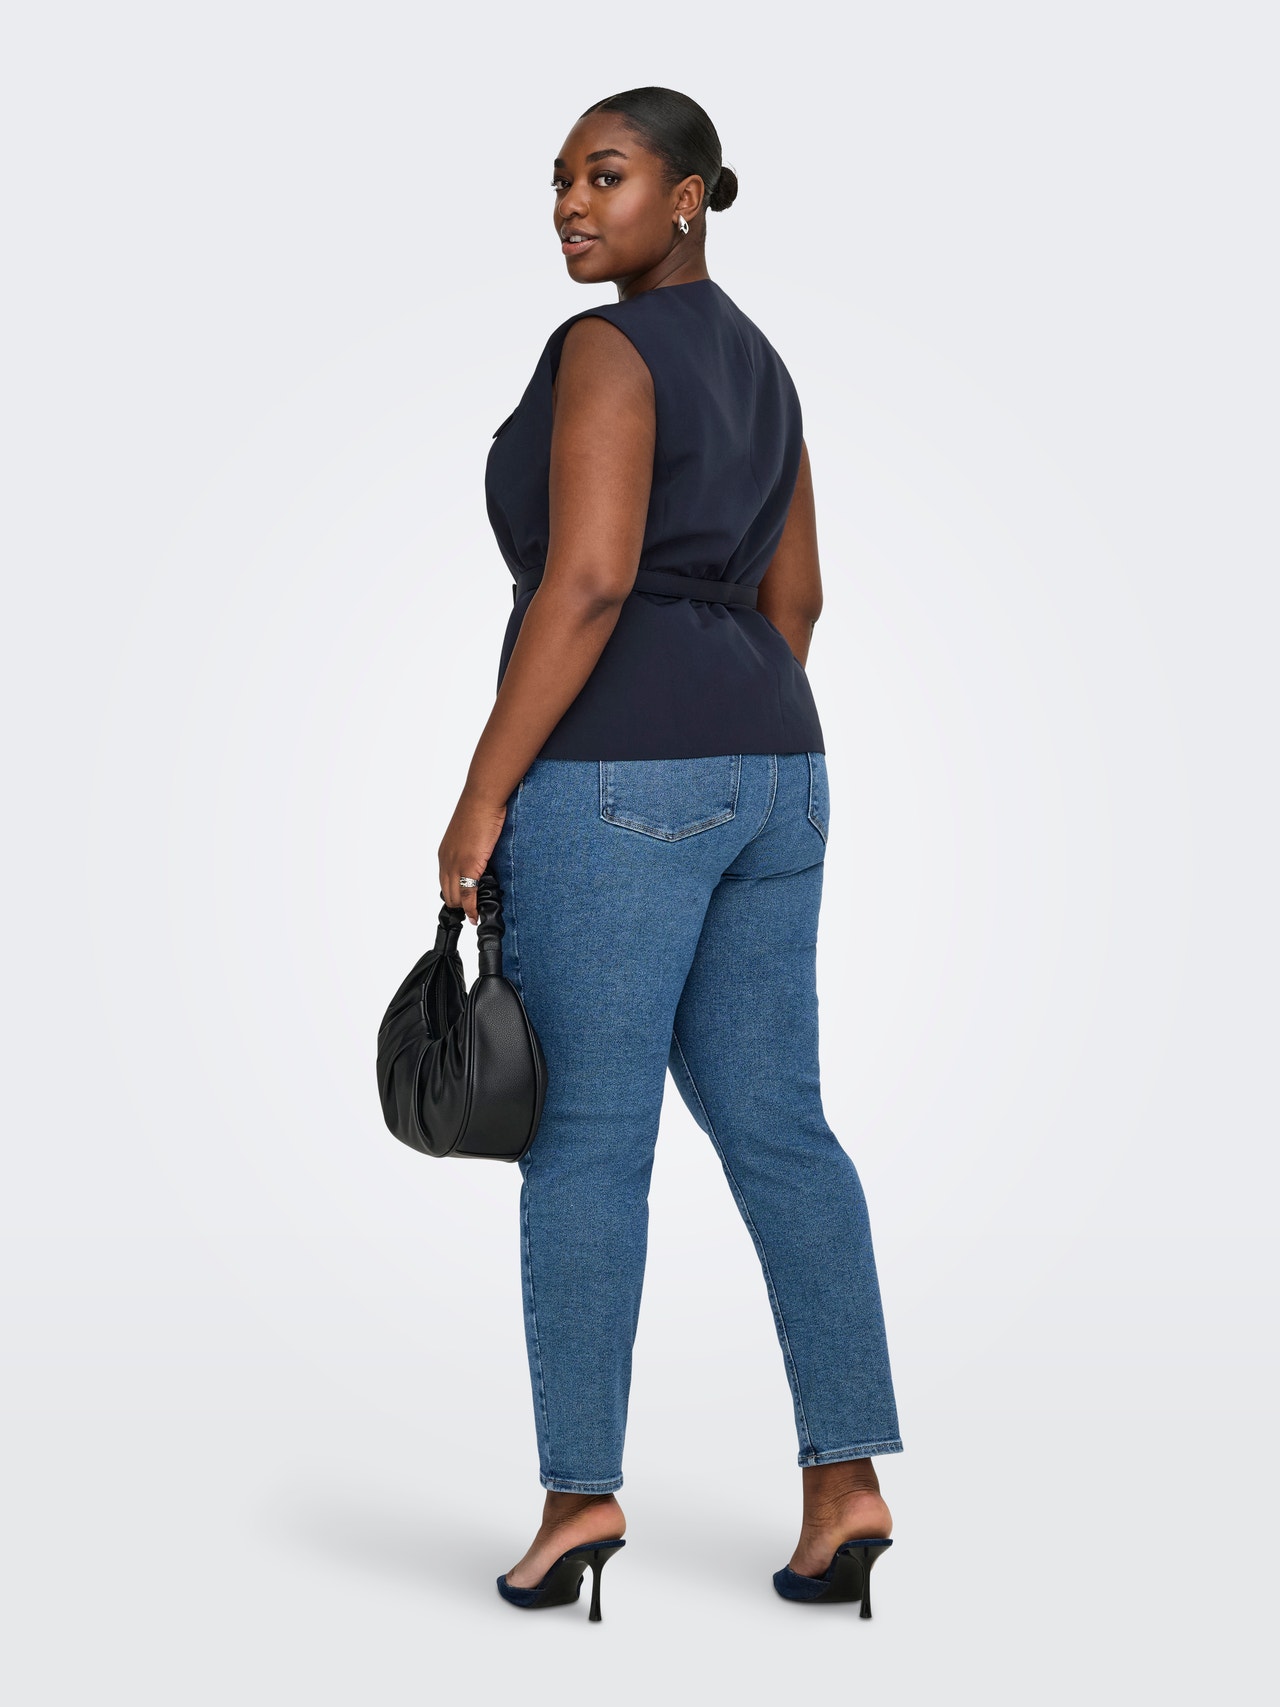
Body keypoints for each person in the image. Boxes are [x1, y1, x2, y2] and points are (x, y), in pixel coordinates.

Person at [436, 86, 902, 1620]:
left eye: (609, 175)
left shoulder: (607, 350)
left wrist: (483, 794)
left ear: (688, 194)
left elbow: (586, 582)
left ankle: (580, 1499)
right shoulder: (765, 368)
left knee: (586, 1140)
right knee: (783, 1129)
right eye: (562, 180)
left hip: (614, 777)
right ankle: (846, 1484)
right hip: (780, 768)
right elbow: (798, 599)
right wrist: (733, 735)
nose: (573, 205)